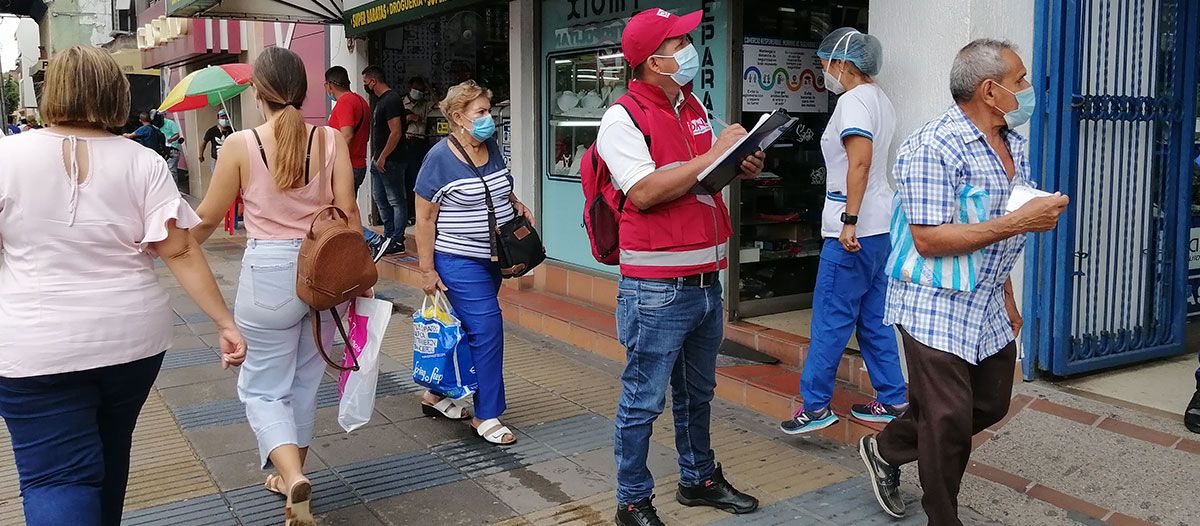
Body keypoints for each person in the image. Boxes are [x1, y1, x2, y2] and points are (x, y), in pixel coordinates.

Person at [0, 45, 246, 526]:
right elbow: (179, 250)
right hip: (131, 341)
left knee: (56, 477)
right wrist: (224, 322)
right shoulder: (143, 162)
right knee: (111, 457)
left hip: (32, 344)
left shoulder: (6, 157)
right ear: (115, 94)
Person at [858, 39, 1069, 525]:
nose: (1029, 89)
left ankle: (886, 449)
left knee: (990, 404)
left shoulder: (1012, 142)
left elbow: (1000, 221)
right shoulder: (933, 146)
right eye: (1020, 80)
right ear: (990, 91)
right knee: (949, 418)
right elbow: (930, 240)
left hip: (987, 299)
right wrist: (1022, 223)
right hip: (933, 300)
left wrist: (1009, 293)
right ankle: (943, 517)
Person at [596, 9, 765, 526]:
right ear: (653, 60)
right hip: (656, 289)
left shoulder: (691, 105)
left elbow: (703, 177)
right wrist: (715, 153)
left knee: (698, 394)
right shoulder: (622, 117)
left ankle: (699, 479)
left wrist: (740, 162)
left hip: (705, 283)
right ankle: (632, 500)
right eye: (680, 42)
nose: (690, 49)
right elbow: (644, 191)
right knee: (643, 401)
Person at [190, 47, 362, 526]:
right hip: (325, 272)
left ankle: (289, 476)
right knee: (305, 383)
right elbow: (348, 214)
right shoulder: (330, 140)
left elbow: (204, 219)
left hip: (267, 274)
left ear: (256, 92)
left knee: (263, 388)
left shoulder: (240, 144)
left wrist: (172, 246)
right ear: (304, 91)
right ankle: (293, 476)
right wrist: (360, 281)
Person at [781, 28, 908, 435]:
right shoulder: (880, 99)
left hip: (852, 231)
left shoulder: (853, 102)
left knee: (831, 320)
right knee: (875, 319)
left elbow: (860, 163)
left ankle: (815, 406)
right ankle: (893, 398)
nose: (822, 71)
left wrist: (848, 221)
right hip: (881, 228)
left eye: (824, 63)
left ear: (844, 65)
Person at [414, 80, 532, 446]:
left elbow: (495, 184)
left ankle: (435, 395)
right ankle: (486, 415)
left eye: (488, 111)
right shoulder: (438, 159)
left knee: (463, 329)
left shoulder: (491, 146)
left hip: (492, 258)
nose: (488, 119)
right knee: (488, 329)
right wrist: (427, 269)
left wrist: (514, 203)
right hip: (456, 260)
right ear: (457, 117)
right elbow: (424, 220)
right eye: (480, 113)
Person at [324, 66, 386, 257]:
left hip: (346, 166)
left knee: (340, 212)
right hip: (358, 163)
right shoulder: (362, 102)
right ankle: (355, 250)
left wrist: (335, 161)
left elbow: (347, 135)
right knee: (347, 211)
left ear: (329, 85)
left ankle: (372, 239)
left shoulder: (345, 103)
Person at [362, 65, 411, 256]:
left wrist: (383, 157)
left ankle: (397, 239)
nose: (365, 86)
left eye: (366, 82)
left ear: (373, 81)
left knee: (396, 200)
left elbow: (396, 131)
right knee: (380, 199)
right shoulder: (382, 101)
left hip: (391, 160)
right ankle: (389, 236)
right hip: (379, 160)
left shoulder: (391, 100)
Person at [403, 76, 436, 225]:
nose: (419, 92)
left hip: (421, 143)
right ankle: (410, 213)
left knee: (419, 179)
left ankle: (418, 212)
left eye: (421, 90)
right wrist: (408, 117)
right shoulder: (401, 103)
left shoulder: (425, 104)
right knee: (408, 180)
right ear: (410, 87)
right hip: (407, 142)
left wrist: (428, 87)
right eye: (417, 89)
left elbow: (439, 103)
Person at [199, 109, 233, 175]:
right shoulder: (212, 131)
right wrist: (201, 154)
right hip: (216, 160)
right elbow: (204, 142)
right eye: (222, 118)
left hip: (229, 160)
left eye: (226, 118)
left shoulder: (232, 131)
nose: (224, 119)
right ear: (218, 118)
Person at [156, 112, 183, 183]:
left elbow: (177, 135)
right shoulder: (155, 126)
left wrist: (171, 139)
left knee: (171, 170)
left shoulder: (170, 123)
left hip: (172, 148)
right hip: (162, 149)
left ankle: (174, 189)